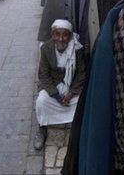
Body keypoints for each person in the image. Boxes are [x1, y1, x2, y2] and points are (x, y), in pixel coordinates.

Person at [34, 19, 87, 150]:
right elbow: (43, 75)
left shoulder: (77, 49)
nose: (61, 38)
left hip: (71, 88)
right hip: (54, 86)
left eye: (65, 35)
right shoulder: (46, 48)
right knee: (41, 100)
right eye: (57, 34)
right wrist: (57, 96)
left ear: (70, 36)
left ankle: (78, 129)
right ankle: (42, 128)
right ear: (53, 35)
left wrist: (71, 93)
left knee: (83, 101)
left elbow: (81, 74)